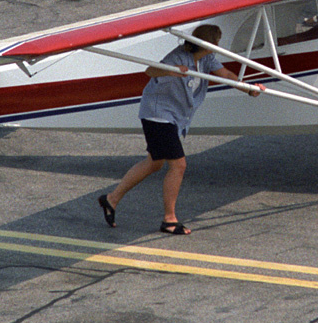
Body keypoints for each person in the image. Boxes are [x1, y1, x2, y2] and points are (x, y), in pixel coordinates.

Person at [97, 24, 263, 235]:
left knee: (154, 163)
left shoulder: (207, 58)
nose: (218, 46)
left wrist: (249, 89)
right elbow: (150, 70)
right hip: (158, 115)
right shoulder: (177, 57)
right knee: (178, 165)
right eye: (217, 42)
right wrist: (172, 72)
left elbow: (226, 75)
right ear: (209, 43)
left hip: (173, 117)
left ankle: (111, 199)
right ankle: (169, 220)